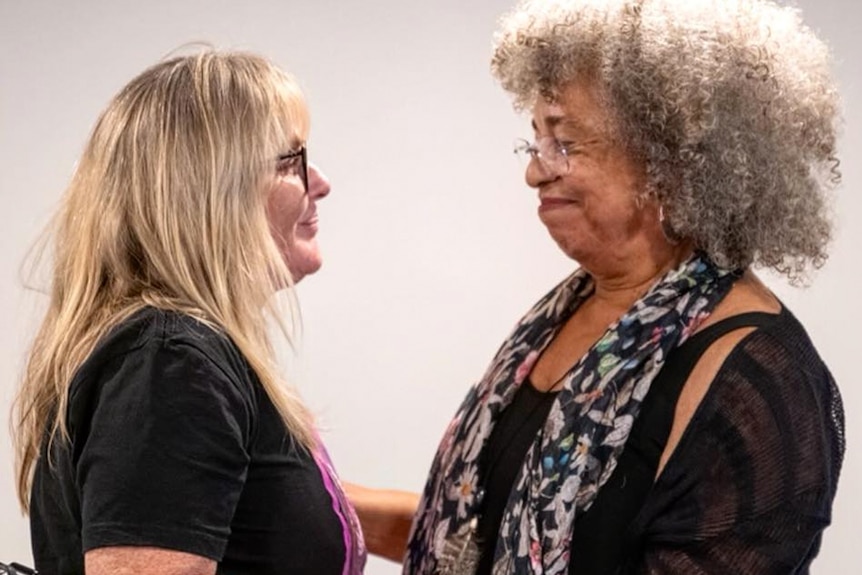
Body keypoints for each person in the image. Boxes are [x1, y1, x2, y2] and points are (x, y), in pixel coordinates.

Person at [350, 0, 846, 573]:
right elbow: (487, 540)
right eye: (535, 141)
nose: (534, 171)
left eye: (566, 143)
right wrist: (307, 496)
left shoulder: (756, 383)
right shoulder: (567, 313)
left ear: (673, 162)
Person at [13, 50, 365, 575]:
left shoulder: (176, 357)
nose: (321, 182)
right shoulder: (171, 362)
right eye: (292, 159)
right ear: (211, 191)